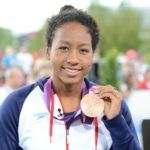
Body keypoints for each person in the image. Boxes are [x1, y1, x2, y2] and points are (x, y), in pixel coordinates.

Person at [0, 5, 141, 150]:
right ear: (48, 52)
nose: (73, 59)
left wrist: (116, 122)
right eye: (64, 48)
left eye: (83, 50)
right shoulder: (17, 104)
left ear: (92, 55)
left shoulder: (112, 106)